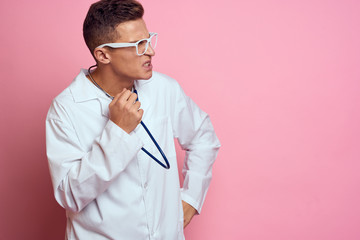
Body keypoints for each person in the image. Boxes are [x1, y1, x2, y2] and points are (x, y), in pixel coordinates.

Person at [45, 0, 220, 239]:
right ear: (103, 54)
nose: (150, 50)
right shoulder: (66, 108)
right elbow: (70, 196)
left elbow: (203, 137)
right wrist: (117, 132)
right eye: (138, 44)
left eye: (148, 39)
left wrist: (191, 197)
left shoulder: (163, 88)